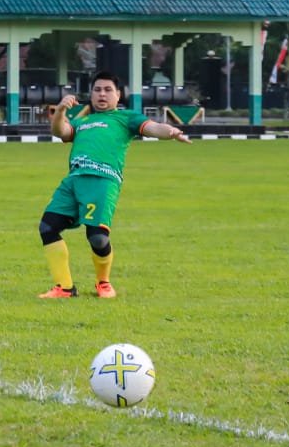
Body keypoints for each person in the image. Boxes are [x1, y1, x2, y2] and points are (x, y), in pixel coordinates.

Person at [37, 71, 190, 299]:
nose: (102, 94)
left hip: (103, 182)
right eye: (97, 90)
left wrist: (171, 132)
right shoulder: (82, 122)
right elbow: (61, 131)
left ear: (118, 95)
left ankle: (103, 283)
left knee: (97, 237)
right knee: (47, 227)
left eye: (108, 90)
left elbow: (153, 127)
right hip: (74, 181)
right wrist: (60, 111)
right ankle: (65, 287)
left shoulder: (126, 118)